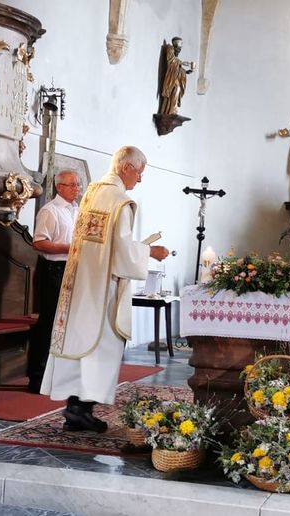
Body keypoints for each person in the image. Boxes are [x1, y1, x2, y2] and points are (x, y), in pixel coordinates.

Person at [40, 146, 170, 432]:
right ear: (126, 167)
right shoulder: (120, 201)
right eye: (139, 172)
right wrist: (150, 251)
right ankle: (83, 408)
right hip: (103, 288)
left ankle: (75, 408)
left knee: (80, 343)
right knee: (101, 345)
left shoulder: (92, 192)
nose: (140, 179)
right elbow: (122, 251)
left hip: (80, 280)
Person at [27, 170, 81, 394]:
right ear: (59, 187)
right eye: (72, 185)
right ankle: (36, 377)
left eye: (78, 185)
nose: (77, 189)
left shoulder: (77, 210)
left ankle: (58, 374)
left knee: (66, 325)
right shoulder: (50, 211)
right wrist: (70, 248)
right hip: (53, 270)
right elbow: (39, 243)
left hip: (71, 269)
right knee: (48, 323)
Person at [158, 37, 195, 116]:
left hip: (175, 78)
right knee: (176, 89)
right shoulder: (170, 49)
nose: (181, 46)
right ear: (175, 43)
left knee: (177, 90)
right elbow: (171, 61)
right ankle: (169, 111)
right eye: (180, 44)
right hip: (171, 79)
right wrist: (182, 63)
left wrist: (187, 71)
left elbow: (178, 69)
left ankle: (172, 110)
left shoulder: (175, 57)